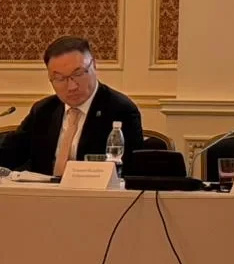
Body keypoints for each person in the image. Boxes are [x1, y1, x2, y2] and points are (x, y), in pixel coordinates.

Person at [0, 36, 143, 176]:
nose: (71, 86)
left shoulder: (120, 110)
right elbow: (10, 154)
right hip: (43, 190)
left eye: (78, 74)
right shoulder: (43, 110)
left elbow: (132, 171)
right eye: (60, 78)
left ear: (94, 65)